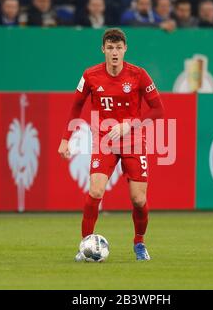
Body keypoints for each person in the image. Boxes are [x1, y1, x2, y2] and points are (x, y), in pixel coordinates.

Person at [58, 28, 165, 261]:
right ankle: (84, 246)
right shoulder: (90, 75)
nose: (114, 53)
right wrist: (66, 138)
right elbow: (76, 107)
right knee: (95, 190)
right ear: (103, 50)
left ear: (125, 49)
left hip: (133, 141)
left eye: (118, 48)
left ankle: (139, 243)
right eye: (110, 48)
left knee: (138, 199)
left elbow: (158, 110)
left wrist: (130, 125)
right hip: (104, 141)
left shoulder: (139, 75)